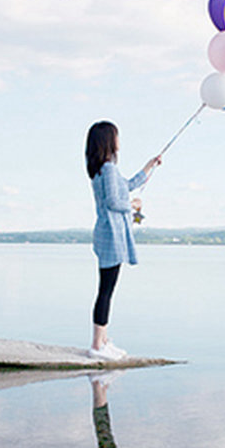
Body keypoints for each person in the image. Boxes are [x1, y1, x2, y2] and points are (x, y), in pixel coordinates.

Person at [86, 121, 161, 360]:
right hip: (110, 235)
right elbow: (114, 202)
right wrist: (133, 205)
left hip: (110, 234)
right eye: (116, 136)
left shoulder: (103, 169)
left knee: (107, 289)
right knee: (106, 291)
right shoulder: (107, 168)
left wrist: (149, 167)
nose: (119, 140)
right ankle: (97, 346)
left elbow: (127, 186)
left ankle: (103, 341)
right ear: (109, 140)